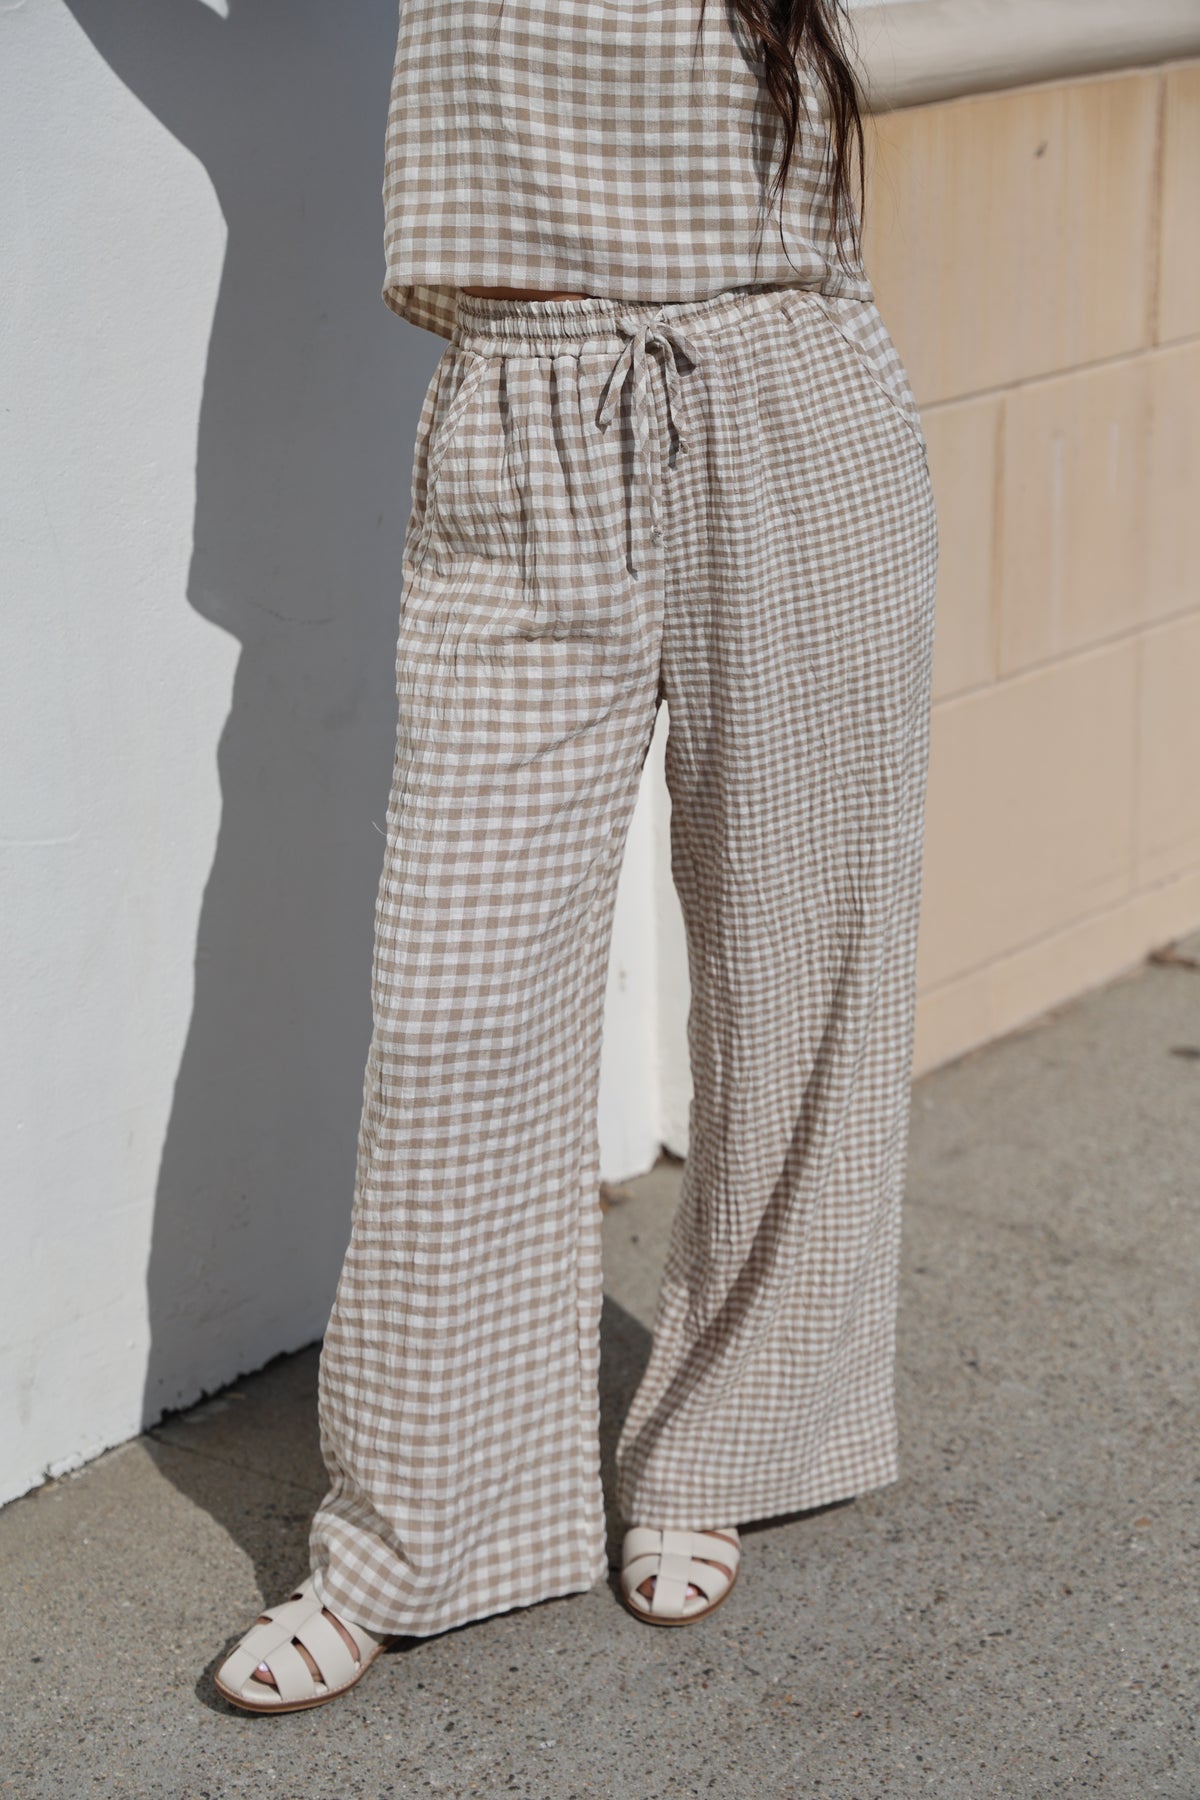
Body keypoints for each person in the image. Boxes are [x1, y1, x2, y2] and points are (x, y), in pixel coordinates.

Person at [213, 0, 938, 1712]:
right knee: (459, 1001)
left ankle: (732, 1446)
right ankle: (420, 1530)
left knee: (798, 959)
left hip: (791, 388)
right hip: (522, 405)